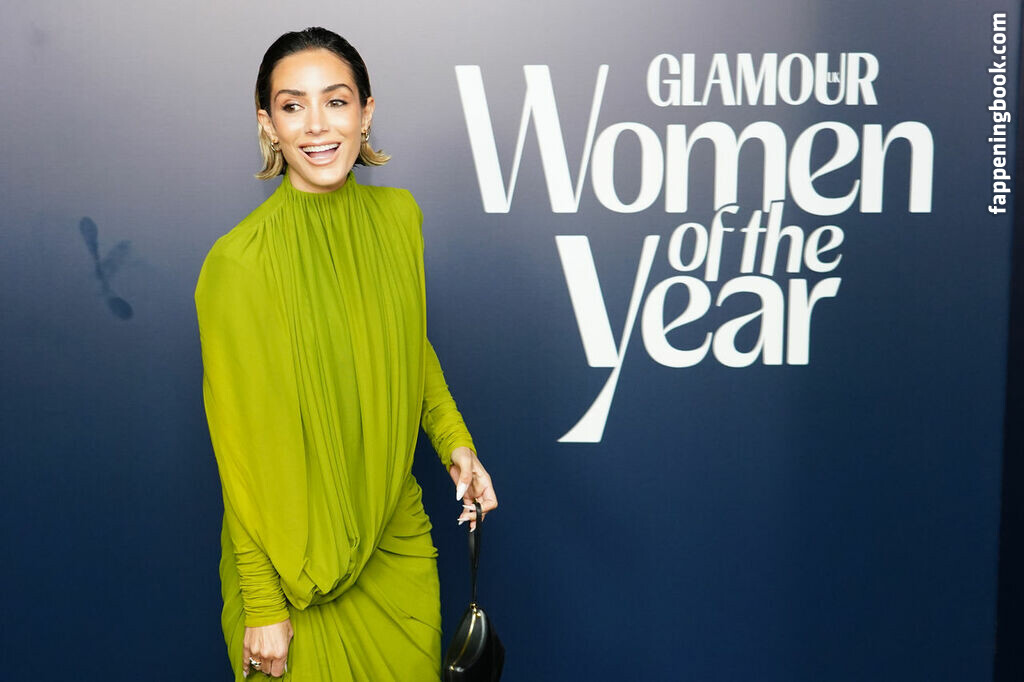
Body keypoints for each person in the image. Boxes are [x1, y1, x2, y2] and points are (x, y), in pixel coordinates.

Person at [194, 27, 498, 681]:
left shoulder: (399, 220)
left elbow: (406, 345)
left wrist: (456, 443)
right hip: (289, 566)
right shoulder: (237, 263)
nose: (316, 125)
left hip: (397, 543)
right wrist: (261, 602)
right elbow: (238, 454)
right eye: (292, 105)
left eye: (335, 101)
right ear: (268, 124)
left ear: (365, 112)